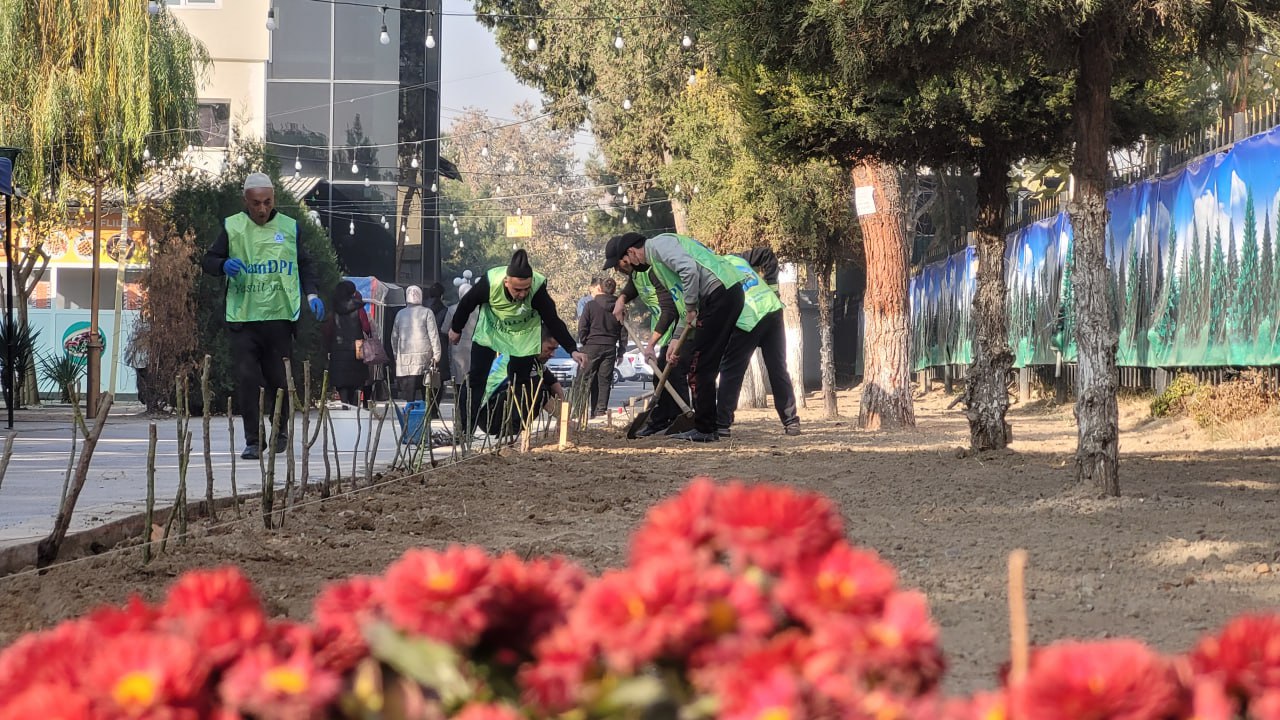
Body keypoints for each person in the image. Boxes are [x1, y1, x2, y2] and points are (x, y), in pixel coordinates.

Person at [201, 172, 324, 460]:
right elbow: (208, 260)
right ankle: (253, 440)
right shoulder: (233, 227)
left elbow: (305, 264)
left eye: (267, 202)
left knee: (280, 379)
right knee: (247, 379)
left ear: (274, 200)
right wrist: (222, 265)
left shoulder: (290, 228)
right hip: (244, 318)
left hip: (280, 317)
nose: (261, 209)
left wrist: (313, 294)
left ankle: (280, 430)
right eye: (255, 203)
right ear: (246, 201)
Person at [602, 232, 743, 442]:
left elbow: (689, 270)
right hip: (721, 296)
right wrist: (677, 339)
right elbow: (681, 304)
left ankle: (705, 429)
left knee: (700, 364)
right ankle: (709, 426)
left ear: (631, 252)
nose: (627, 268)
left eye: (624, 262)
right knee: (702, 362)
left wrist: (691, 306)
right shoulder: (657, 265)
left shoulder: (659, 245)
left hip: (720, 294)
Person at [449, 249, 585, 434]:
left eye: (526, 289)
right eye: (517, 290)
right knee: (476, 380)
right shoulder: (490, 282)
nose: (522, 295)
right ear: (507, 281)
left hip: (522, 338)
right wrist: (456, 328)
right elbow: (467, 303)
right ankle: (465, 430)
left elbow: (553, 320)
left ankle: (513, 429)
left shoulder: (537, 290)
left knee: (523, 382)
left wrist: (572, 349)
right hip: (492, 332)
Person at [716, 250, 801, 437]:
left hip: (748, 318)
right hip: (771, 309)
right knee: (778, 368)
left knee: (731, 370)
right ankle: (791, 422)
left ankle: (721, 423)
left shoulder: (710, 272)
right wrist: (772, 288)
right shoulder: (735, 258)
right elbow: (766, 254)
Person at [613, 266, 690, 436]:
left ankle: (681, 419)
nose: (617, 268)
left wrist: (650, 345)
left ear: (630, 253)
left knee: (673, 374)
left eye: (619, 262)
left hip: (679, 326)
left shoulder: (654, 270)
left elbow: (669, 310)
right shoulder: (636, 274)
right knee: (660, 377)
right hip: (665, 331)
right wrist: (621, 299)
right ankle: (664, 420)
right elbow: (632, 287)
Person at [477, 331, 566, 437]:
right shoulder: (521, 358)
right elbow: (540, 393)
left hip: (500, 407)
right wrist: (563, 419)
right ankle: (511, 432)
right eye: (550, 349)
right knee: (538, 389)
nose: (552, 354)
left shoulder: (535, 361)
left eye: (555, 349)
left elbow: (553, 383)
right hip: (490, 414)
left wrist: (564, 412)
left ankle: (516, 428)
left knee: (543, 387)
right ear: (536, 343)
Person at [578, 276, 627, 417]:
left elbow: (582, 326)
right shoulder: (619, 308)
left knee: (584, 379)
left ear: (599, 288)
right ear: (614, 290)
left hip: (591, 346)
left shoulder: (590, 305)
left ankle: (578, 410)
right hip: (610, 348)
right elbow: (624, 331)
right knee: (604, 381)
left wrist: (585, 342)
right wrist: (621, 351)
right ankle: (600, 411)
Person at [391, 285, 442, 403]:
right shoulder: (427, 312)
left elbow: (394, 337)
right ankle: (426, 414)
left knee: (409, 393)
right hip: (424, 358)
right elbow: (433, 335)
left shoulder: (400, 314)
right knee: (426, 389)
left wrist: (396, 354)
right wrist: (437, 354)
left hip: (405, 358)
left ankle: (409, 414)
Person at [324, 280, 371, 407]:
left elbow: (328, 330)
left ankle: (345, 404)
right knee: (356, 381)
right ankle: (354, 409)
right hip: (357, 349)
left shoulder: (333, 309)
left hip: (338, 349)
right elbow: (366, 327)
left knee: (342, 382)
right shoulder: (358, 308)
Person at [442, 279, 476, 389]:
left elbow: (444, 329)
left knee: (458, 378)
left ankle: (459, 403)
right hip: (476, 346)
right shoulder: (480, 309)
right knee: (473, 377)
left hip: (457, 347)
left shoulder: (452, 309)